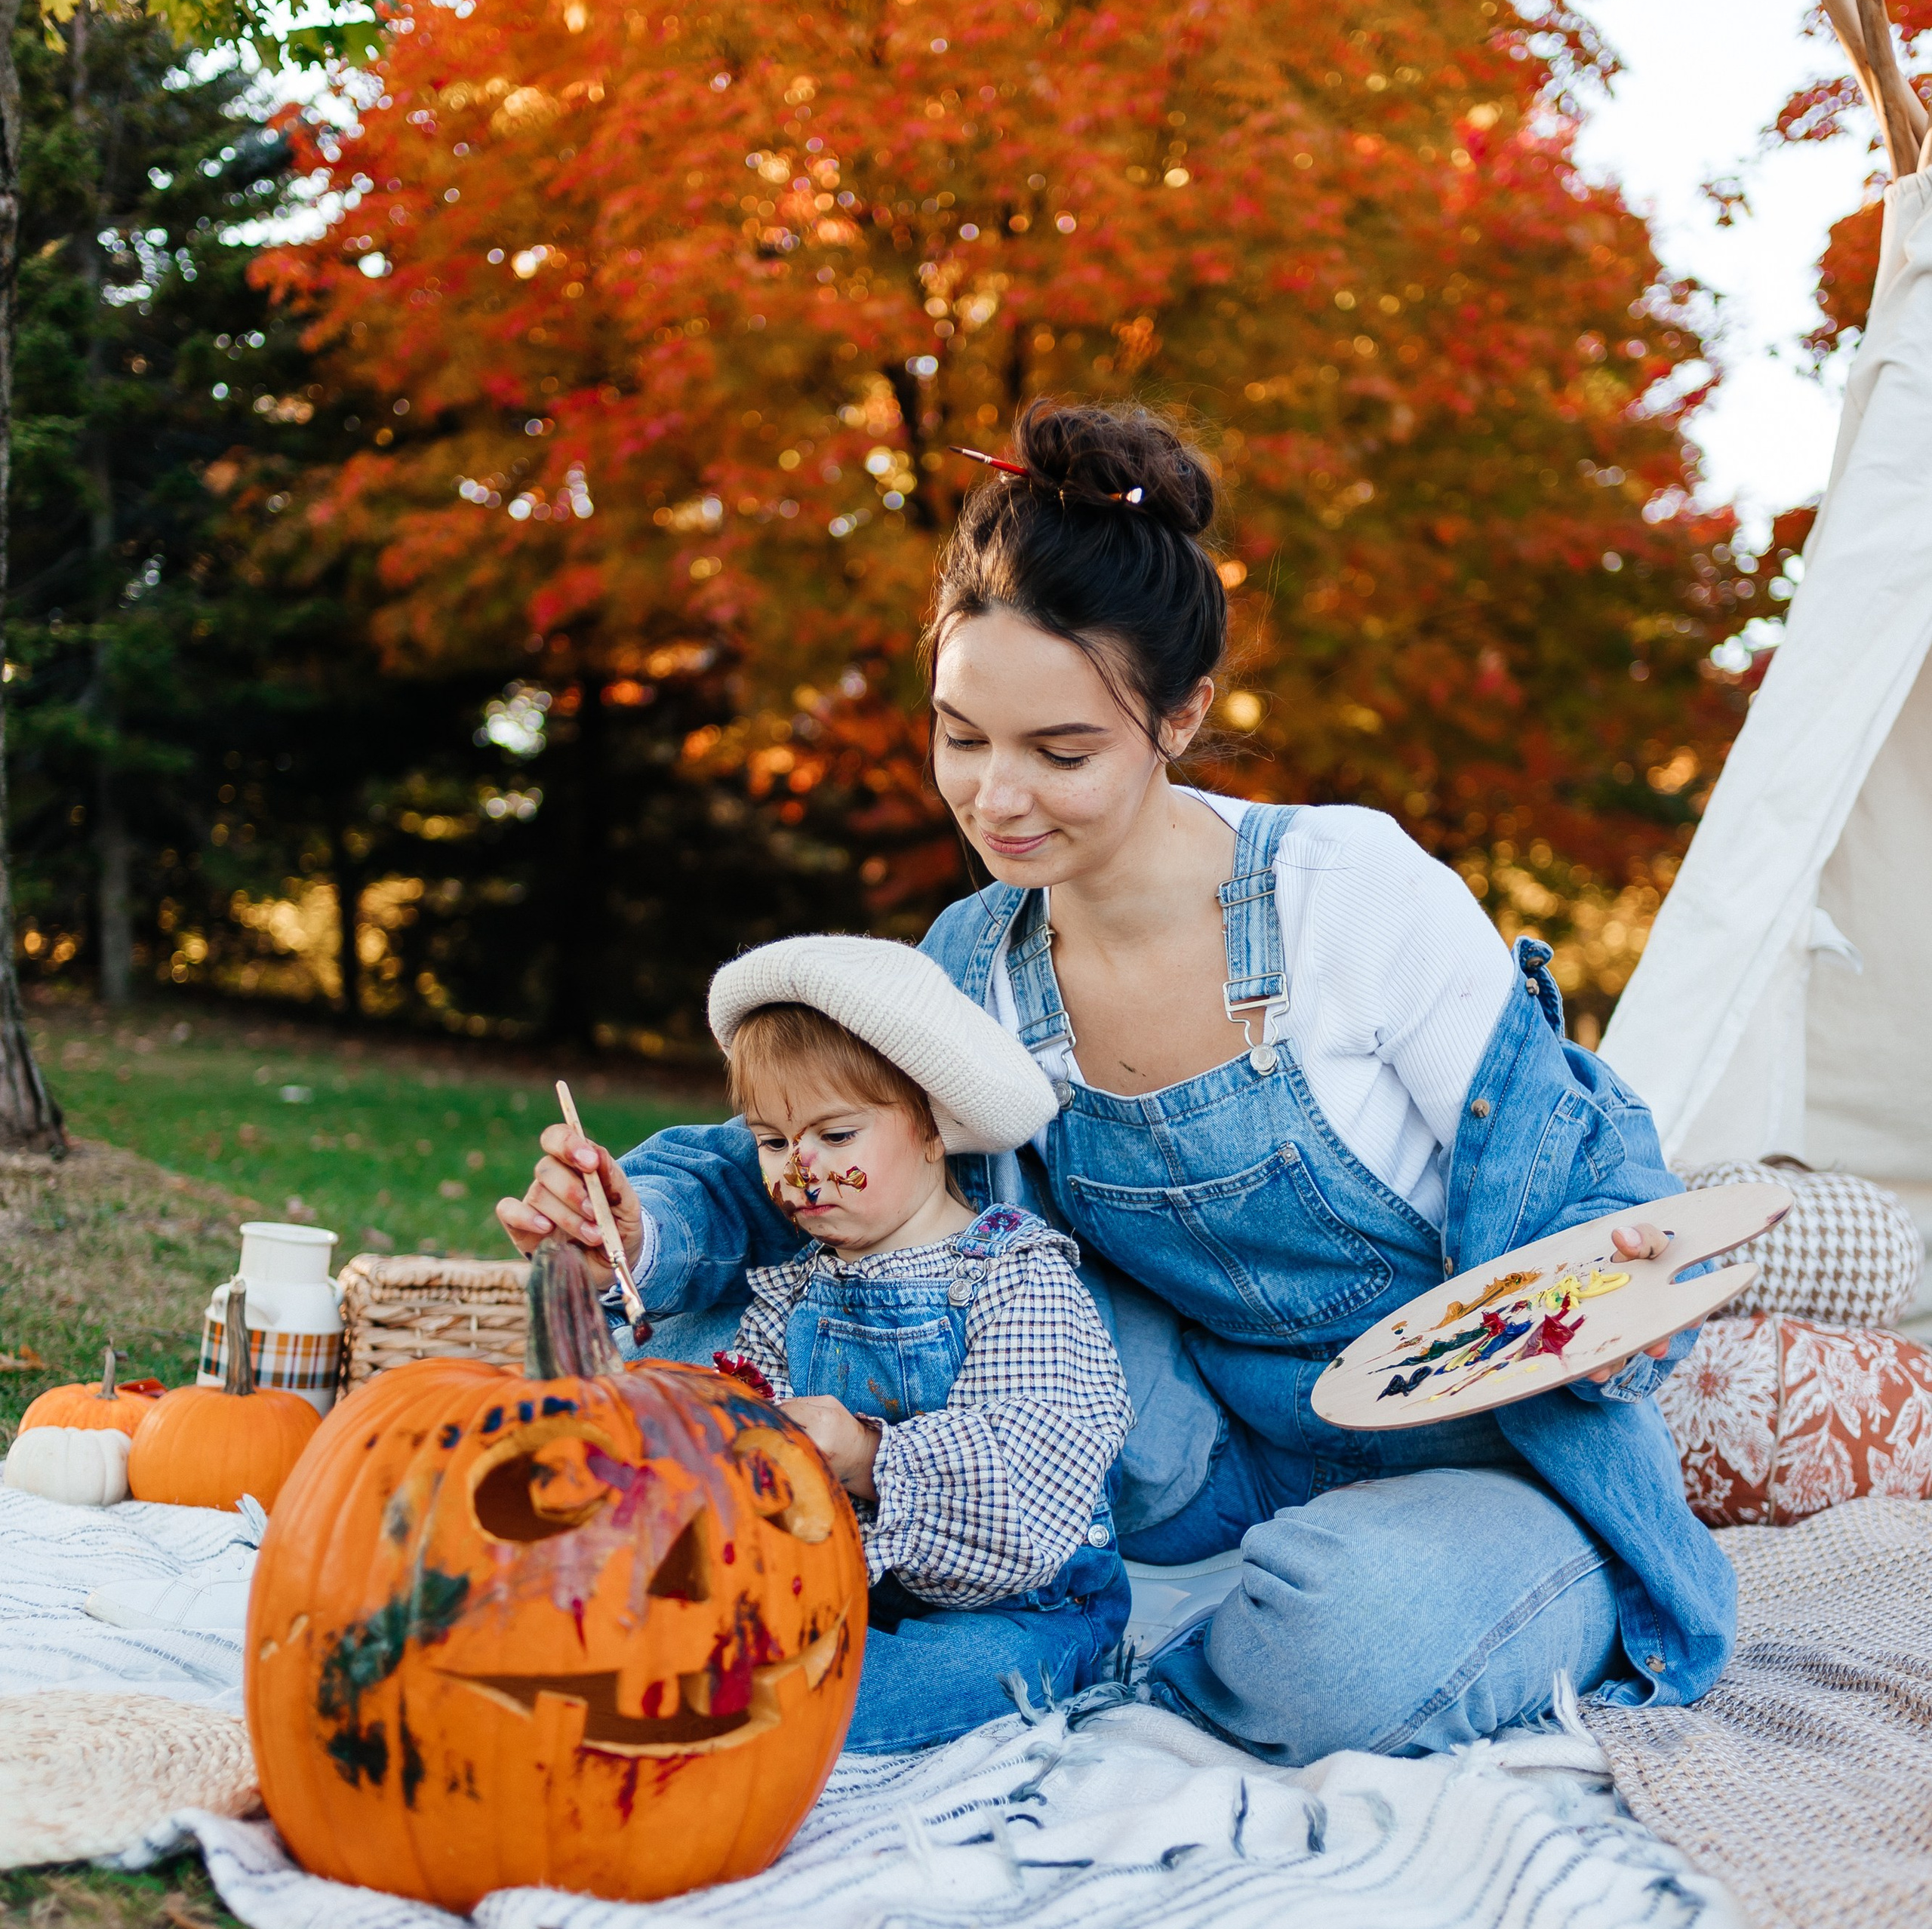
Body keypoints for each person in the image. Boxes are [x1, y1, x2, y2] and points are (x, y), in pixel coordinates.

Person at [500, 399, 1735, 1767]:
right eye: (961, 737)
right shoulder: (977, 960)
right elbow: (819, 1154)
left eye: (1061, 753)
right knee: (719, 1342)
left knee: (1334, 1648)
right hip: (1182, 1460)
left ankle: (1178, 1635)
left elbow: (1584, 1179)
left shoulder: (1351, 894)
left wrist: (1622, 1291)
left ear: (1181, 715)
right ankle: (1077, 1608)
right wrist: (641, 1221)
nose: (996, 798)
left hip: (1476, 1454)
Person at [685, 934, 1131, 1750]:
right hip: (846, 1588)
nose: (800, 1172)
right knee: (709, 1645)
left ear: (932, 1125)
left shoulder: (1012, 1277)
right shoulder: (796, 1289)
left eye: (835, 1137)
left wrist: (864, 1454)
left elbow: (1032, 1470)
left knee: (873, 1693)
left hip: (1024, 1607)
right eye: (774, 1142)